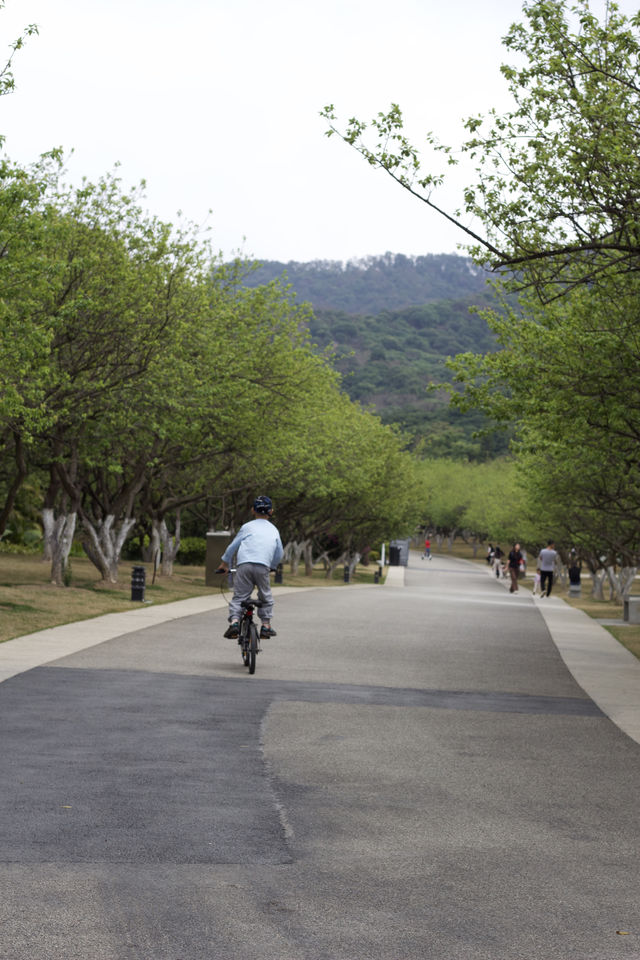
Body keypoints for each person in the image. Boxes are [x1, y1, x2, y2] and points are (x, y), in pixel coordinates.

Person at [216, 495, 284, 640]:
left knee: (240, 596)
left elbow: (233, 546)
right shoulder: (274, 530)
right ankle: (266, 626)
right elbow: (279, 552)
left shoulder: (247, 527)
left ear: (253, 510)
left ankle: (234, 623)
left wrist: (224, 564)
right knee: (265, 595)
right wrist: (272, 566)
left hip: (244, 565)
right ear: (271, 511)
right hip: (263, 566)